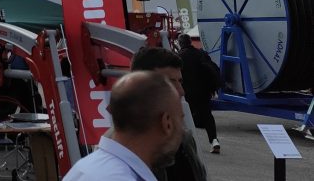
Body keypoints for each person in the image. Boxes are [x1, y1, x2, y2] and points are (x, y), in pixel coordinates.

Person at [64, 71, 185, 181]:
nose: (182, 129)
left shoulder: (87, 167)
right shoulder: (118, 177)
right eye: (180, 118)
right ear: (167, 123)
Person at [131, 47, 207, 181]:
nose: (181, 91)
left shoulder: (185, 140)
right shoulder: (122, 153)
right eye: (169, 83)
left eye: (180, 82)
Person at [177, 34, 221, 153]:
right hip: (203, 92)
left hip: (187, 94)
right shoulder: (201, 54)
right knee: (207, 116)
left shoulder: (179, 57)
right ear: (190, 42)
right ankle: (214, 140)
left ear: (180, 44)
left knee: (185, 118)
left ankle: (186, 146)